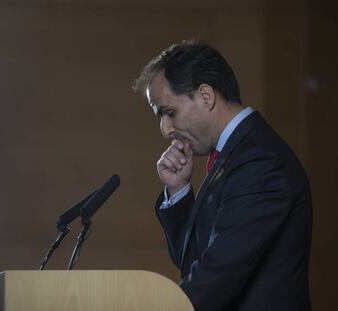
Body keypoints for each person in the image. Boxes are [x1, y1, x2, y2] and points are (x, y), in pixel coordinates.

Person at [133, 40, 312, 311]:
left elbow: (218, 276)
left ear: (206, 96)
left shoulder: (259, 161)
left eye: (169, 112)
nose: (166, 129)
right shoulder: (236, 154)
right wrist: (179, 190)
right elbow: (197, 262)